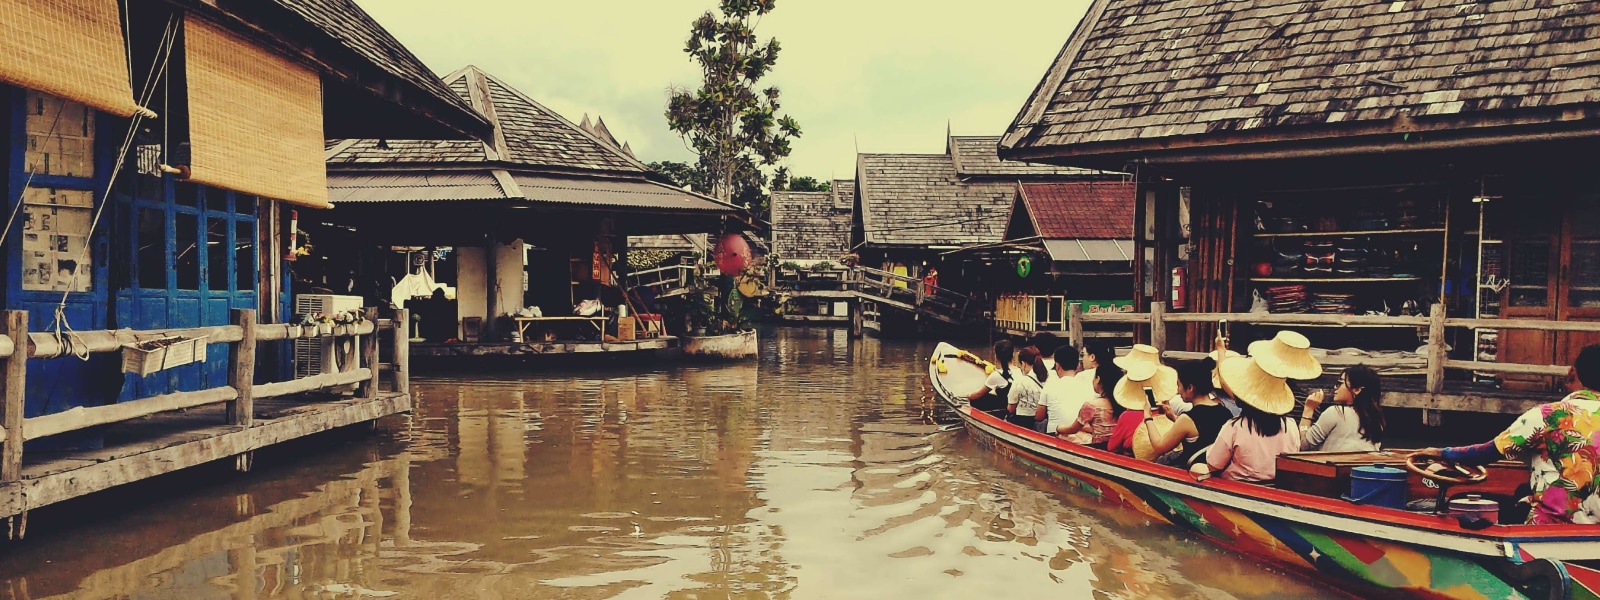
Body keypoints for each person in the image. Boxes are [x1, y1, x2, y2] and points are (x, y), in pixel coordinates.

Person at [1413, 344, 1600, 524]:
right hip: (1594, 524)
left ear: (1576, 373)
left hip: (1552, 524)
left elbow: (1488, 452)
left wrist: (1442, 453)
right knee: (1522, 491)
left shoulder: (1550, 415)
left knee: (1460, 500)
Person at [1191, 356, 1302, 484]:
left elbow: (1213, 465)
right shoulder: (1291, 426)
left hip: (1237, 487)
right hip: (1275, 486)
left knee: (1197, 468)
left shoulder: (1235, 427)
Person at [1145, 358, 1235, 466]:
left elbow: (1159, 447)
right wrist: (1173, 417)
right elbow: (1204, 430)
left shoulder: (1187, 419)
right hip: (1215, 470)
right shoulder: (1225, 412)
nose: (1178, 391)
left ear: (1190, 387)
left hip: (1191, 472)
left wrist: (1147, 417)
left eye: (1179, 385)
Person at [1300, 365, 1385, 452]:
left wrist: (1308, 410)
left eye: (1339, 383)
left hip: (1332, 464)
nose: (1335, 387)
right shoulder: (1377, 421)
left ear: (1357, 389)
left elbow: (1303, 445)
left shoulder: (1336, 413)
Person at [1057, 363, 1122, 450]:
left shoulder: (1092, 405)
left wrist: (1058, 428)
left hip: (1097, 448)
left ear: (1098, 379)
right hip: (1115, 446)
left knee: (1062, 435)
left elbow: (1073, 429)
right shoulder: (1122, 404)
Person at [1044, 344, 1097, 444]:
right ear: (1078, 366)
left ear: (1057, 366)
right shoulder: (1087, 385)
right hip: (1081, 431)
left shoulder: (1050, 385)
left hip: (1057, 432)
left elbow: (1039, 416)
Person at [967, 340, 1015, 416]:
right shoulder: (1020, 371)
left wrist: (968, 395)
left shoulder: (996, 375)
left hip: (1004, 408)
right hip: (1015, 407)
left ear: (996, 356)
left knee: (976, 400)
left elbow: (978, 394)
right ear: (1013, 355)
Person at [1007, 348, 1048, 431]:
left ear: (1023, 363)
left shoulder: (1020, 382)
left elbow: (1011, 409)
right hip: (1044, 421)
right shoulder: (1048, 378)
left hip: (1022, 422)